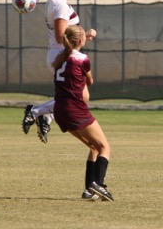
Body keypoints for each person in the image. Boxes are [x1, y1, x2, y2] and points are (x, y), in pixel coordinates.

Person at [20, 0, 97, 144]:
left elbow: (63, 35)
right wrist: (83, 35)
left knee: (81, 97)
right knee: (79, 98)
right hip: (63, 56)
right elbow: (60, 35)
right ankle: (37, 112)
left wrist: (82, 37)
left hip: (62, 54)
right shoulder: (59, 4)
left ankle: (46, 116)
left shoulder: (56, 1)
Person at [52, 25, 114, 201]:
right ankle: (99, 185)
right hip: (75, 110)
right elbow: (90, 81)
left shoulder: (59, 58)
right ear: (80, 41)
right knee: (104, 147)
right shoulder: (82, 59)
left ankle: (89, 190)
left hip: (59, 110)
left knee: (93, 146)